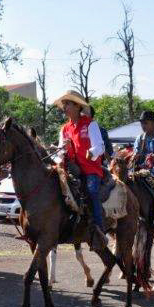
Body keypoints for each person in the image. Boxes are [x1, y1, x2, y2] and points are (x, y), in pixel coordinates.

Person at [53, 91, 106, 243]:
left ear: (77, 106)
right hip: (72, 169)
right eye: (63, 105)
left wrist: (92, 152)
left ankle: (99, 230)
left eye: (67, 104)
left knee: (92, 191)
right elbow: (60, 152)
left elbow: (100, 147)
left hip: (90, 170)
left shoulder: (90, 124)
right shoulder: (64, 129)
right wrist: (61, 151)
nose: (64, 107)